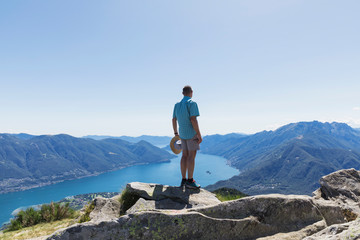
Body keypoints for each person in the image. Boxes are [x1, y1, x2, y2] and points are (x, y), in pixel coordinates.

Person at [172, 85, 202, 189]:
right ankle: (190, 180)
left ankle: (183, 179)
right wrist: (198, 134)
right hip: (191, 134)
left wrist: (176, 133)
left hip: (182, 134)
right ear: (191, 92)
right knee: (191, 156)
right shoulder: (192, 103)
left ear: (182, 93)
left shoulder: (177, 105)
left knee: (184, 156)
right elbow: (193, 119)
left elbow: (173, 120)